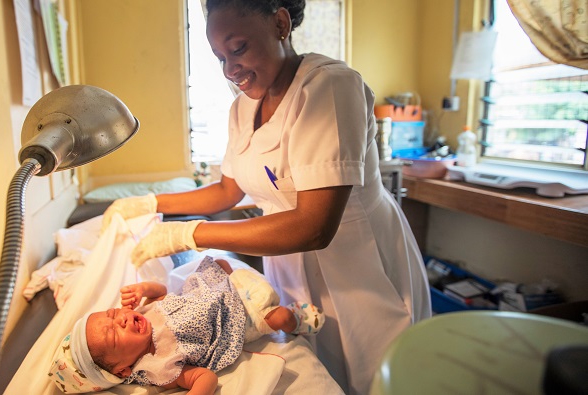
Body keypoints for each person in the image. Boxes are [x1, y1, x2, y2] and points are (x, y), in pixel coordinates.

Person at [99, 0, 432, 394]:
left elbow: (314, 226)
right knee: (318, 365)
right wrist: (152, 204)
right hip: (289, 264)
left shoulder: (328, 87)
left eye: (237, 49)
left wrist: (190, 235)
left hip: (357, 262)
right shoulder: (244, 107)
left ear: (279, 23)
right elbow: (227, 190)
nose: (229, 69)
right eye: (220, 58)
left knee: (378, 372)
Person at [49, 256, 324, 394]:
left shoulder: (141, 314)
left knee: (219, 262)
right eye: (114, 332)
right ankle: (298, 319)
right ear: (123, 368)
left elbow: (161, 293)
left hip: (211, 293)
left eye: (111, 314)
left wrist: (144, 288)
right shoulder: (159, 367)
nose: (120, 318)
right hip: (235, 322)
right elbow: (206, 377)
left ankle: (236, 282)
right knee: (279, 319)